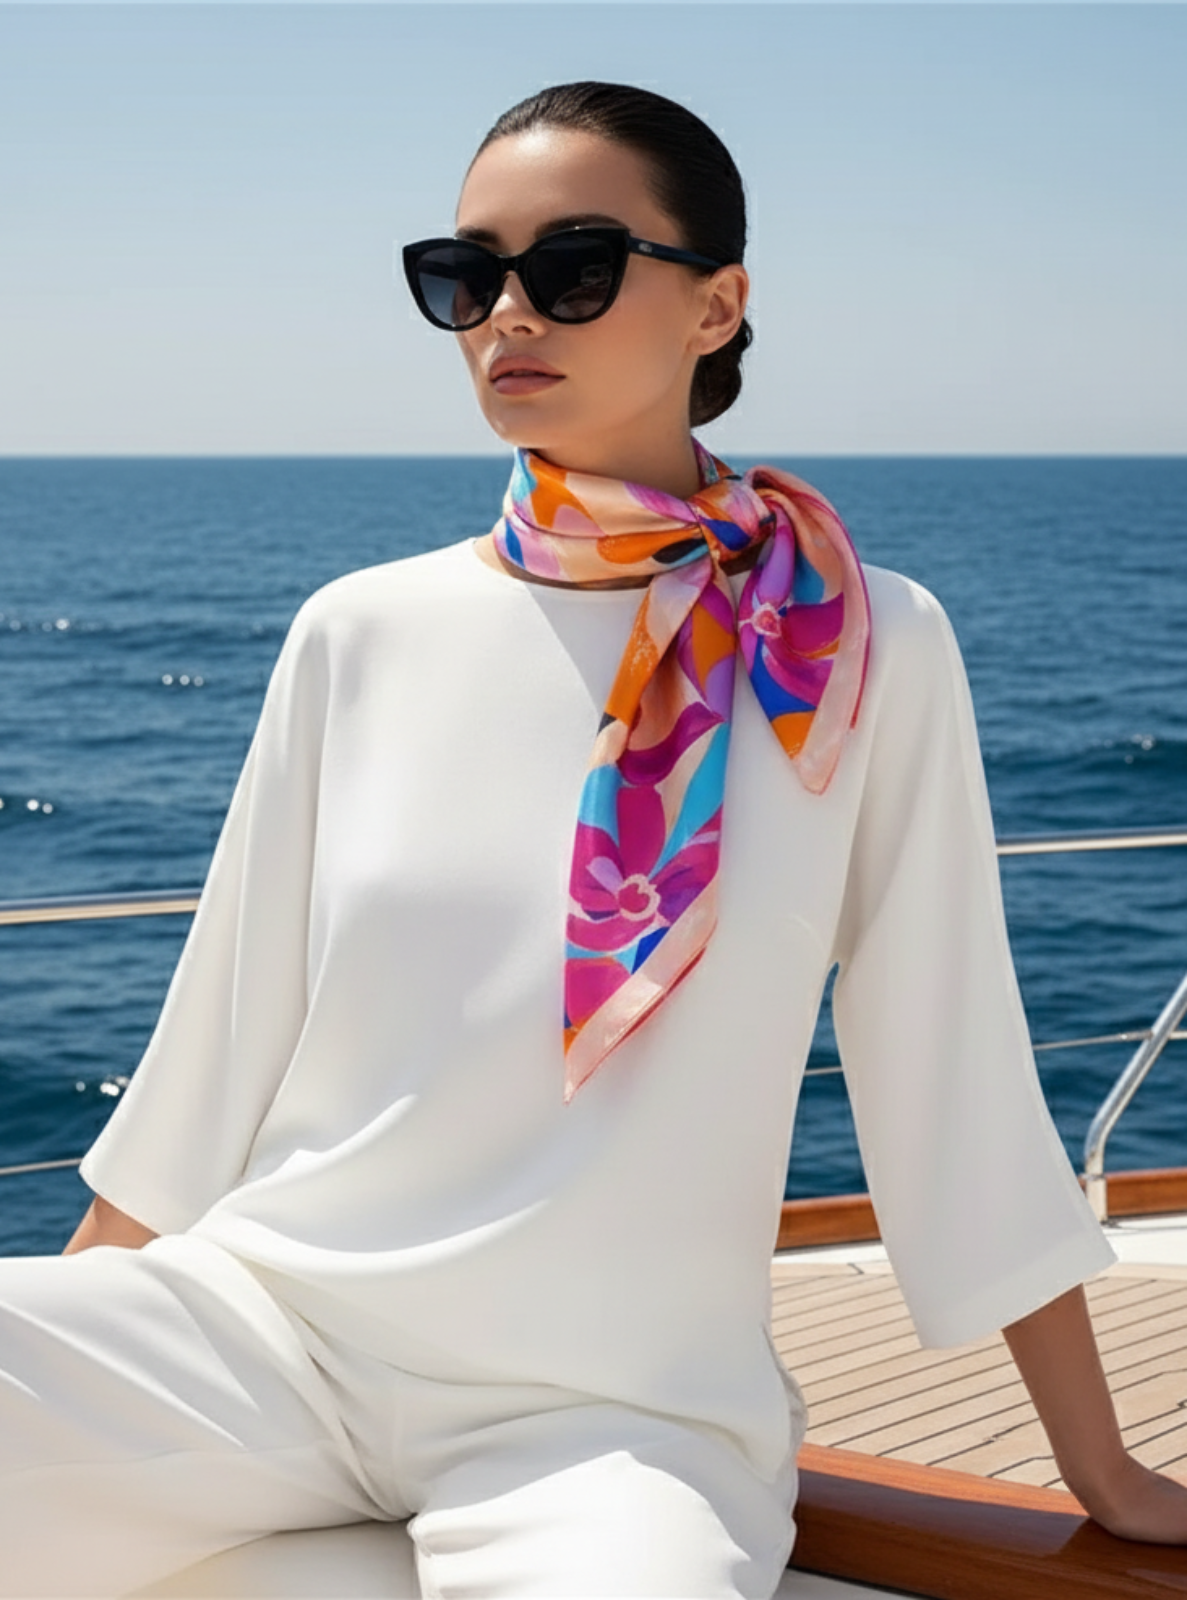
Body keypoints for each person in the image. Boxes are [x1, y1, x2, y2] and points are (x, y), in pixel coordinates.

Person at [2, 79, 1186, 1600]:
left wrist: (1100, 1473)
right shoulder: (361, 630)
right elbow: (212, 1057)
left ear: (717, 306)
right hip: (268, 1332)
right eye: (463, 274)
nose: (505, 312)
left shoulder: (861, 645)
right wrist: (71, 1352)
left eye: (570, 267)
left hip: (612, 1416)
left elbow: (947, 1070)